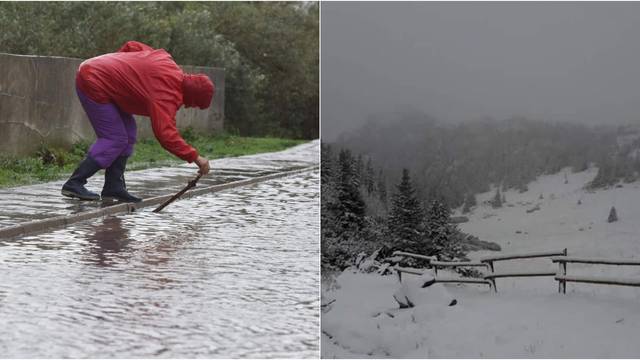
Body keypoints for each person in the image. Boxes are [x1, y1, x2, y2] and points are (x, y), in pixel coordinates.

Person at [61, 40, 214, 203]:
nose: (187, 106)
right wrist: (196, 158)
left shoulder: (166, 61)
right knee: (115, 138)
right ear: (193, 97)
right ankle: (74, 183)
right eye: (193, 104)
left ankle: (114, 187)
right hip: (92, 81)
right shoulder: (167, 93)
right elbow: (166, 135)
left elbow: (132, 46)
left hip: (98, 74)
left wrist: (121, 72)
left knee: (128, 133)